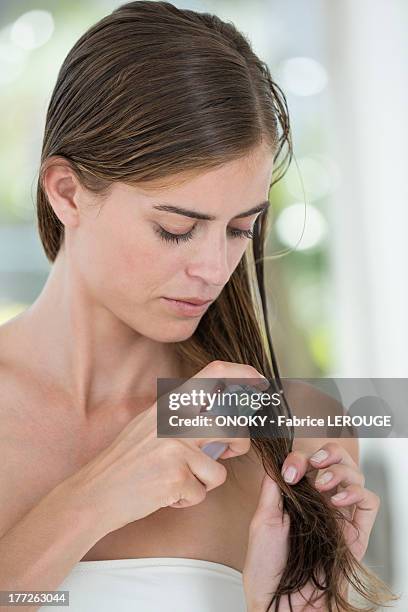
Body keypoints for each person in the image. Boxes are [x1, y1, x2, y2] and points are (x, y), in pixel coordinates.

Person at [0, 1, 397, 611]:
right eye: (176, 227)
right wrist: (92, 499)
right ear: (67, 192)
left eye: (240, 229)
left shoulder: (296, 430)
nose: (214, 269)